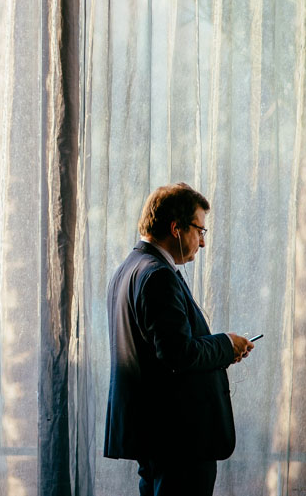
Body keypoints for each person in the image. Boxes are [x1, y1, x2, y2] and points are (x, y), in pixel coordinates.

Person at [104, 182, 255, 496]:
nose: (203, 242)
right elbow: (178, 353)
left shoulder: (127, 270)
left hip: (154, 437)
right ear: (176, 228)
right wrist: (226, 345)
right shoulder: (158, 275)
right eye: (200, 231)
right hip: (179, 438)